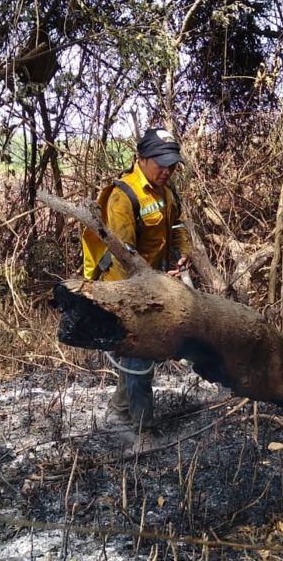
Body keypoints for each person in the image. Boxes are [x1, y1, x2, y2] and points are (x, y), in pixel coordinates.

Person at [82, 128, 193, 429]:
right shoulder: (123, 197)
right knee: (140, 354)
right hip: (125, 287)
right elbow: (124, 255)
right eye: (162, 164)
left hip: (153, 281)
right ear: (142, 159)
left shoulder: (166, 190)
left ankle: (118, 410)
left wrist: (182, 254)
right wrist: (156, 281)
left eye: (172, 165)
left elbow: (176, 225)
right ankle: (142, 429)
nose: (167, 171)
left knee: (140, 353)